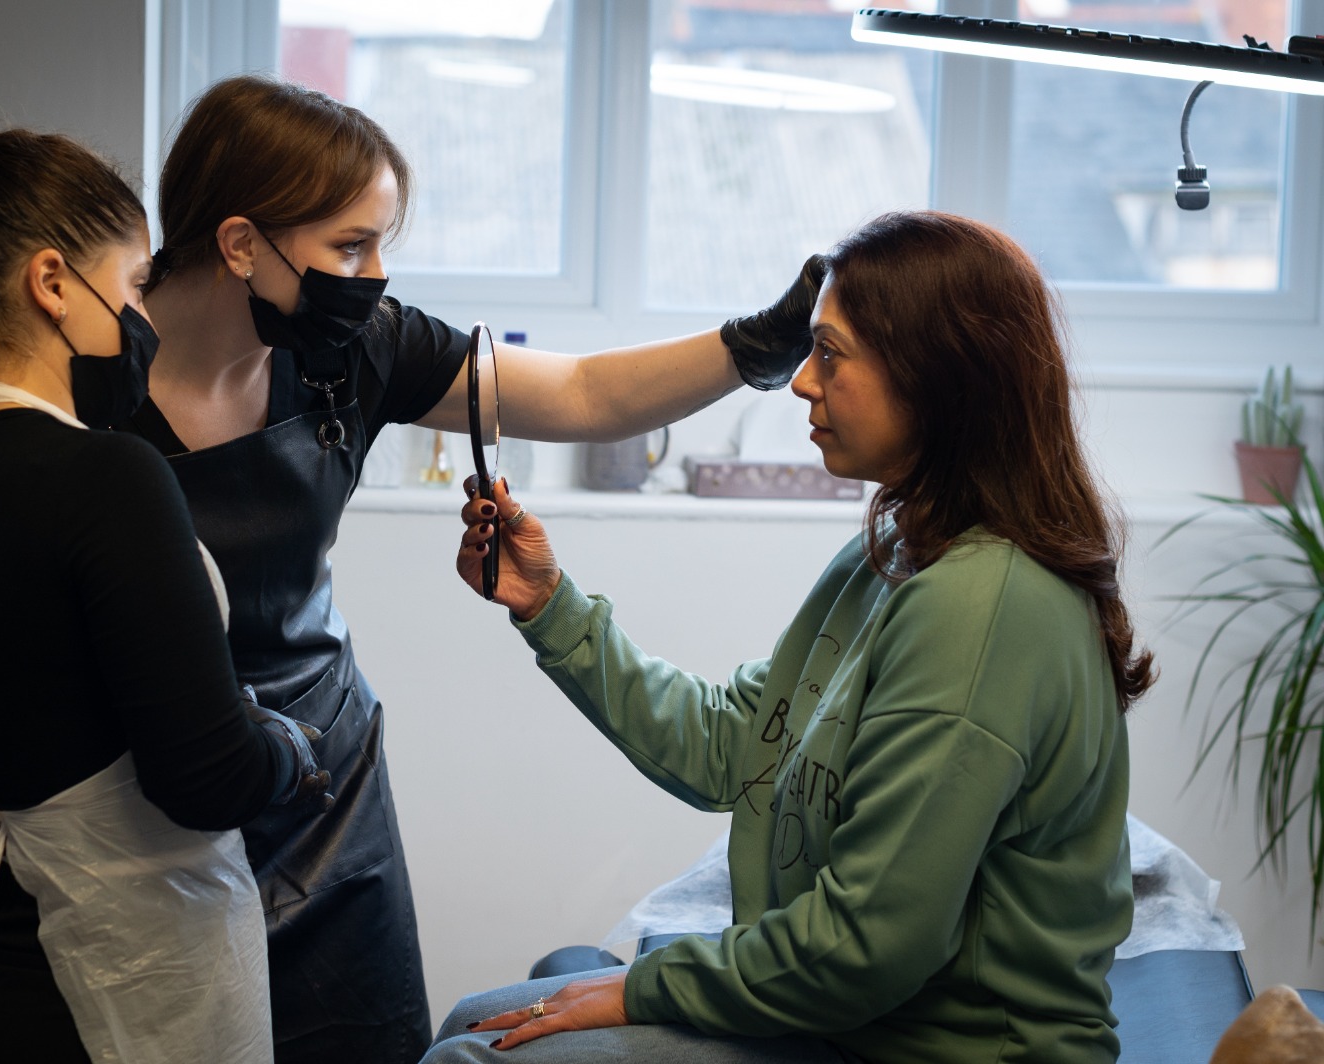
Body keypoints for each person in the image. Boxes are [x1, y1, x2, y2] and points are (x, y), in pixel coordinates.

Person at [0, 74, 818, 1063]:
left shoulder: (349, 350)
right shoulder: (82, 403)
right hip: (149, 814)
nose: (376, 275)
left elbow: (580, 391)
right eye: (350, 245)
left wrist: (747, 349)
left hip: (319, 779)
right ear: (239, 243)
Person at [435, 209, 1154, 1063]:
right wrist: (548, 603)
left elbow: (865, 949)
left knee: (471, 1057)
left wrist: (643, 985)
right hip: (851, 1024)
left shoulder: (986, 610)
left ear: (940, 377)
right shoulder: (890, 557)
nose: (803, 382)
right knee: (470, 1021)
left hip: (936, 1050)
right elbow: (734, 747)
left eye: (831, 354)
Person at [0, 106, 328, 1064]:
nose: (143, 318)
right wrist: (290, 748)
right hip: (102, 995)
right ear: (53, 282)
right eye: (135, 284)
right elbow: (205, 777)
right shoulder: (108, 477)